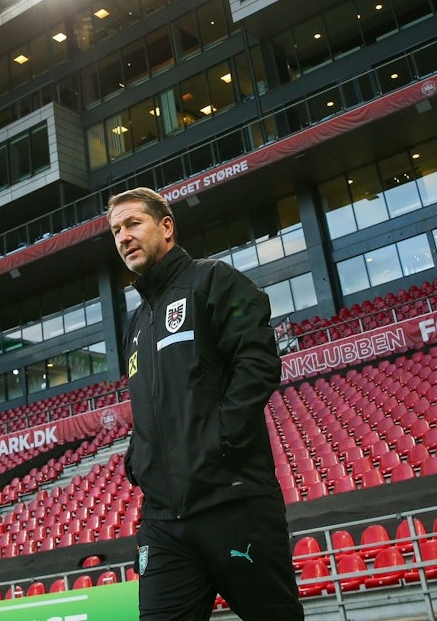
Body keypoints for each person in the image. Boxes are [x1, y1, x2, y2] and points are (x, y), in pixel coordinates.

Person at [107, 187, 303, 621]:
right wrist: (139, 457)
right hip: (163, 522)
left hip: (232, 505)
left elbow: (258, 363)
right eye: (116, 230)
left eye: (133, 223)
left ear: (166, 227)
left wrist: (219, 440)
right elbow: (152, 404)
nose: (123, 237)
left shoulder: (213, 280)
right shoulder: (136, 324)